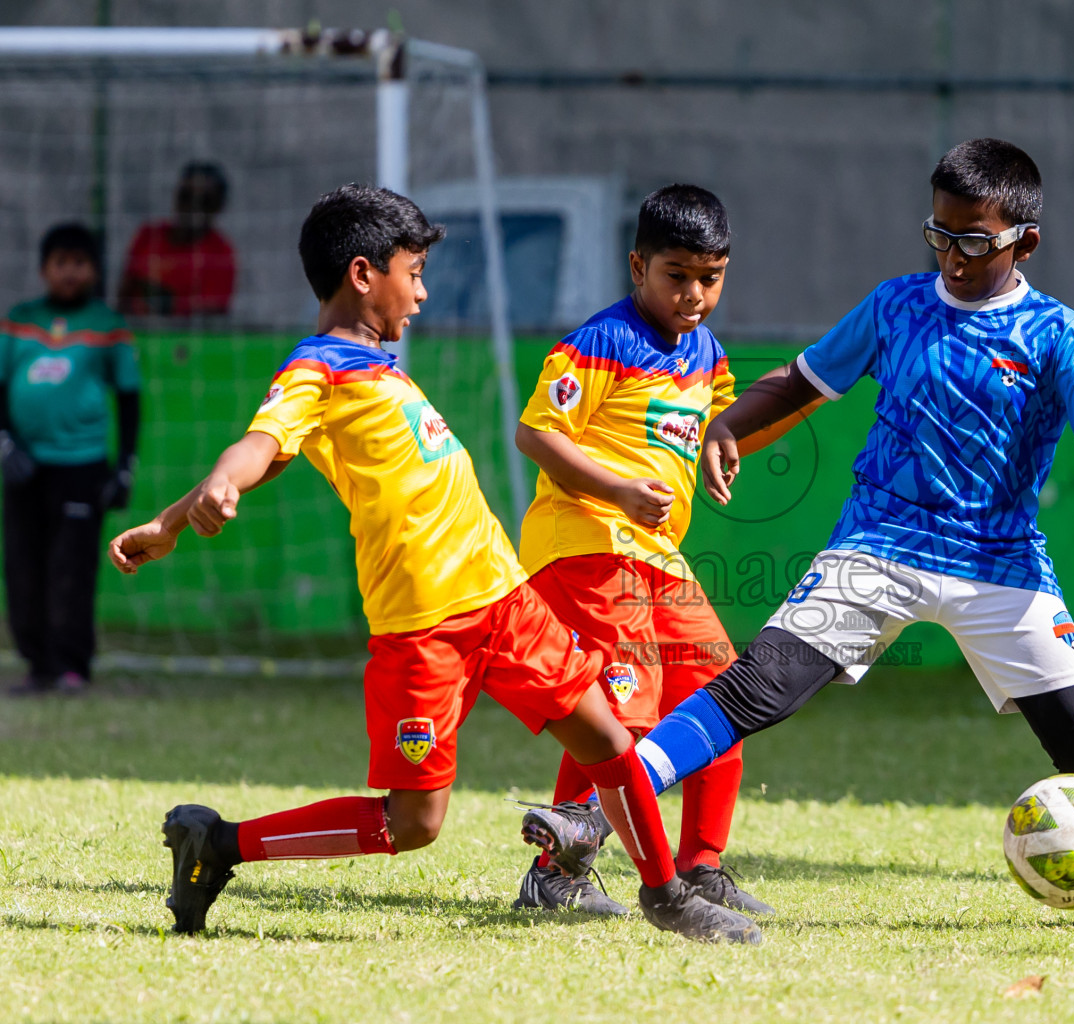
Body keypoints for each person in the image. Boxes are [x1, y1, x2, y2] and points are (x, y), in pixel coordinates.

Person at [531, 138, 1074, 933]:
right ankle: (594, 825)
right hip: (877, 547)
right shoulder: (896, 305)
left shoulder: (1055, 333)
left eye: (974, 241)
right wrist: (727, 426)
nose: (952, 255)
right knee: (751, 689)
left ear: (1025, 242)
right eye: (939, 234)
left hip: (1001, 566)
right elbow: (803, 380)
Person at [106, 184, 759, 945]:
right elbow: (263, 444)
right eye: (412, 273)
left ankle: (667, 893)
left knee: (612, 741)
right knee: (414, 823)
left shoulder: (379, 367)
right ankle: (220, 845)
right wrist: (219, 484)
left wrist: (170, 520)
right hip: (428, 626)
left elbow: (280, 455)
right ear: (362, 274)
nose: (421, 292)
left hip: (505, 600)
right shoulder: (319, 369)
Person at [512, 184, 771, 917]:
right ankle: (553, 875)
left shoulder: (707, 351)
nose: (694, 293)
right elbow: (538, 434)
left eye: (710, 277)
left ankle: (702, 868)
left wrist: (725, 449)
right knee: (620, 719)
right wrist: (622, 491)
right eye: (676, 275)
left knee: (724, 700)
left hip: (656, 555)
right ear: (638, 266)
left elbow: (719, 422)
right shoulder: (603, 340)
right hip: (588, 544)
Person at [0, 223, 140, 696]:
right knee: (23, 568)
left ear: (94, 270)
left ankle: (71, 667)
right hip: (24, 467)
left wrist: (124, 467)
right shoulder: (18, 320)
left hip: (81, 467)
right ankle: (37, 665)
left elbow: (129, 400)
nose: (70, 272)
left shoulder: (109, 327)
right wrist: (5, 444)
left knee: (72, 568)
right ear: (44, 269)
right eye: (61, 262)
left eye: (79, 263)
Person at [118, 161, 237, 317]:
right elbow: (124, 296)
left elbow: (208, 317)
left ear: (219, 206)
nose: (193, 206)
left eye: (204, 200)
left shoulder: (221, 253)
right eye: (186, 196)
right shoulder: (148, 235)